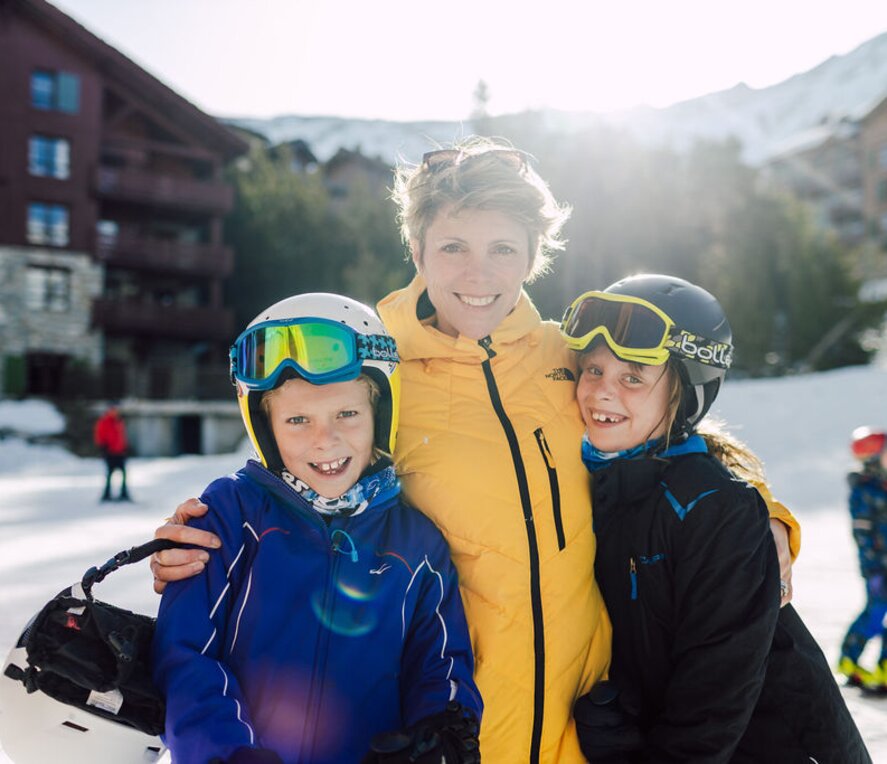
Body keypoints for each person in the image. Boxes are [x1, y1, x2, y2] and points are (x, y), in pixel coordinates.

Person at [150, 138, 800, 763]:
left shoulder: (562, 356)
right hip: (464, 730)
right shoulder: (377, 365)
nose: (477, 272)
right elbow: (297, 459)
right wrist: (210, 540)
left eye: (502, 248)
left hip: (586, 730)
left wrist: (763, 513)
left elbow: (656, 431)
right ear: (416, 247)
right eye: (453, 245)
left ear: (532, 255)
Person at [152, 293, 481, 764]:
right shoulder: (231, 516)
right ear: (266, 427)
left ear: (379, 415)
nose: (324, 440)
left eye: (346, 414)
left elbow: (442, 668)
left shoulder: (417, 546)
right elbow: (184, 656)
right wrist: (231, 753)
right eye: (298, 420)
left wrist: (445, 734)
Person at [562, 274, 870, 762]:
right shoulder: (597, 484)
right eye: (593, 370)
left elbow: (716, 690)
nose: (601, 392)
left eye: (633, 378)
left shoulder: (713, 508)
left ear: (687, 394)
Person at [837, 426, 887, 692]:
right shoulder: (865, 491)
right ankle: (849, 660)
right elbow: (863, 534)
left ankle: (883, 668)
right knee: (875, 614)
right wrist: (874, 568)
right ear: (872, 458)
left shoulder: (883, 486)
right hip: (878, 566)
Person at [93, 402, 130, 502]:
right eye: (113, 410)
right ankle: (107, 494)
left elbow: (122, 437)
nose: (115, 412)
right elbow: (100, 435)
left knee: (123, 474)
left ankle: (124, 493)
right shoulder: (104, 422)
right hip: (110, 453)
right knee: (109, 474)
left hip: (120, 453)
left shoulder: (119, 422)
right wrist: (103, 448)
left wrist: (125, 448)